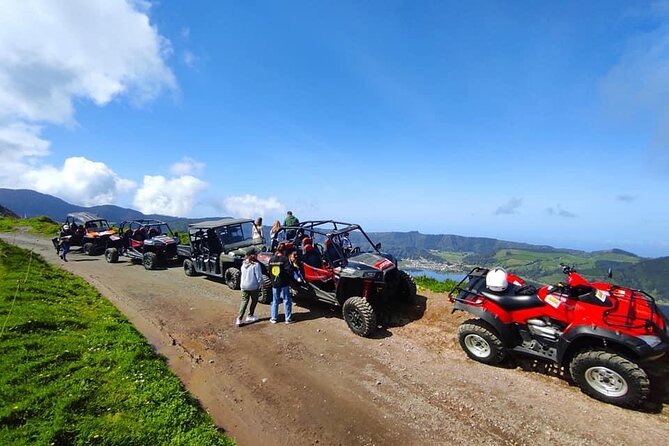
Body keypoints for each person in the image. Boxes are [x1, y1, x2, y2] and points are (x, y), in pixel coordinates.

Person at [237, 247, 262, 326]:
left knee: (244, 301)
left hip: (244, 285)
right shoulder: (256, 265)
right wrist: (261, 285)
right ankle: (250, 315)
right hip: (253, 286)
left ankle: (239, 319)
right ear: (253, 255)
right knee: (254, 300)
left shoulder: (243, 264)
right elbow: (259, 278)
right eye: (256, 254)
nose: (257, 255)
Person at [269, 243, 293, 324]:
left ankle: (273, 318)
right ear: (284, 250)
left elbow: (269, 271)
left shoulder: (271, 259)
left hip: (275, 284)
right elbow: (289, 271)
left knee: (275, 301)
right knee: (286, 300)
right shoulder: (284, 259)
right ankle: (288, 319)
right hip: (284, 283)